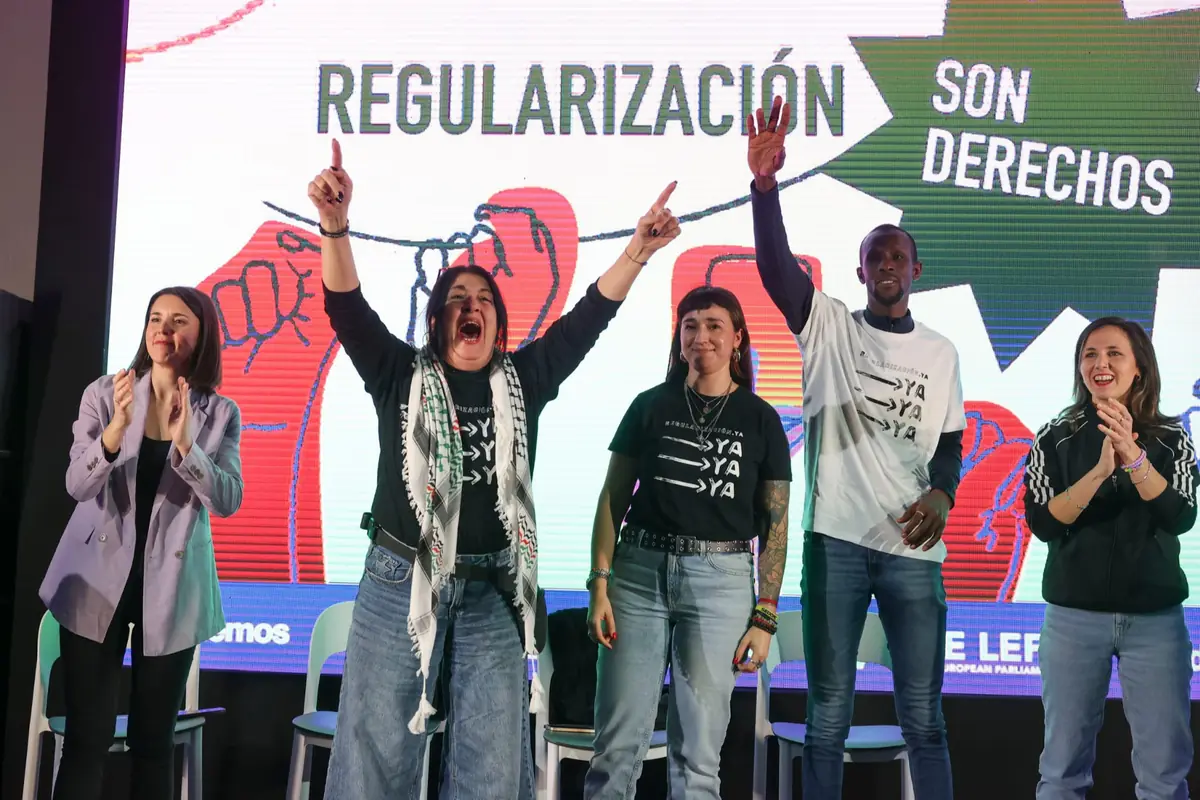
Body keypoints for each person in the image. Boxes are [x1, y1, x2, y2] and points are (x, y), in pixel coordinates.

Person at [308, 139, 681, 799]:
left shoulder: (524, 377)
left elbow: (587, 319)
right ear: (438, 318)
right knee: (374, 760)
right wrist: (335, 225)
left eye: (482, 297)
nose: (470, 305)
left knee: (492, 770)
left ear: (498, 325)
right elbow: (346, 308)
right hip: (402, 579)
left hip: (492, 593)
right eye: (456, 296)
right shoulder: (400, 373)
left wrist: (638, 252)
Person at [747, 97, 965, 799]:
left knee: (925, 719)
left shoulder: (941, 352)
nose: (889, 264)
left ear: (917, 269)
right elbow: (778, 270)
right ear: (862, 270)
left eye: (899, 254)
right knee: (827, 717)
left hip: (912, 552)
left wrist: (944, 491)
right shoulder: (829, 326)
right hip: (836, 540)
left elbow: (952, 442)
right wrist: (764, 189)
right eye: (877, 256)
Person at [584, 286, 792, 799]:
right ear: (679, 340)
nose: (702, 336)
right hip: (637, 576)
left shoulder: (761, 419)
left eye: (715, 325)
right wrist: (599, 584)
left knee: (698, 761)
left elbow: (776, 527)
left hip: (720, 585)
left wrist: (765, 616)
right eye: (691, 326)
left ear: (738, 339)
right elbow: (612, 498)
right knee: (616, 751)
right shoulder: (649, 406)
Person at [38, 287, 243, 800]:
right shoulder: (106, 394)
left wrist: (186, 446)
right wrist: (113, 436)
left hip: (171, 593)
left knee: (154, 743)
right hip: (95, 587)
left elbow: (228, 500)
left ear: (201, 336)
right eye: (156, 318)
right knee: (87, 740)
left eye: (178, 320)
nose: (163, 329)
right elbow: (76, 486)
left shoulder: (219, 413)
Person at [1024, 317, 1198, 800]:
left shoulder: (1171, 437)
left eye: (1114, 353)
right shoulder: (1054, 436)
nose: (1100, 364)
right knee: (1061, 770)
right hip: (1073, 621)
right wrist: (1100, 472)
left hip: (1155, 624)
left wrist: (1134, 456)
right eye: (1089, 354)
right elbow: (1043, 523)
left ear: (1138, 367)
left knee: (1164, 773)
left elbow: (1181, 514)